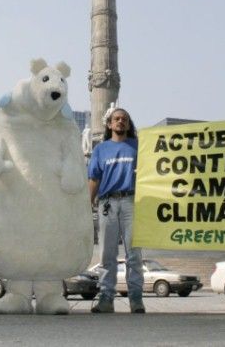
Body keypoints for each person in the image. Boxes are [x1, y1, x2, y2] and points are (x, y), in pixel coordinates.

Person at [87, 107, 145, 314]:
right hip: (107, 204)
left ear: (128, 125)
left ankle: (136, 299)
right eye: (116, 119)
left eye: (124, 119)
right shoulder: (100, 150)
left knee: (134, 254)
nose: (120, 121)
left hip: (132, 201)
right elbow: (94, 179)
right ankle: (106, 298)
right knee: (106, 254)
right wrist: (87, 206)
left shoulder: (138, 146)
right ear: (109, 124)